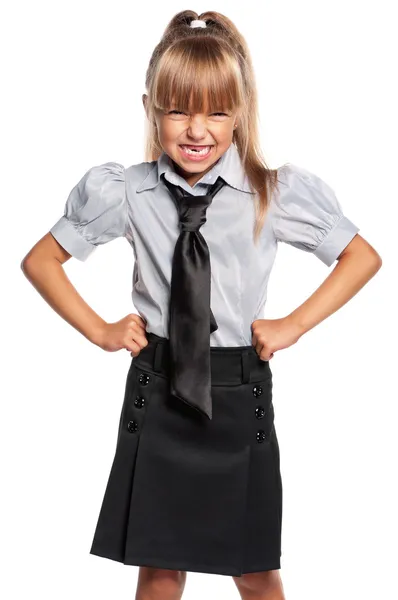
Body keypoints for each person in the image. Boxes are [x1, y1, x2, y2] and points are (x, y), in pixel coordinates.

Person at [21, 9, 382, 600]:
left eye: (217, 111)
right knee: (160, 567)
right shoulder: (128, 191)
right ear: (150, 110)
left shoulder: (273, 192)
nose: (197, 129)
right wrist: (101, 330)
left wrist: (294, 323)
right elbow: (41, 261)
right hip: (159, 385)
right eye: (178, 110)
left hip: (238, 391)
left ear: (240, 112)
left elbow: (361, 257)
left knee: (254, 568)